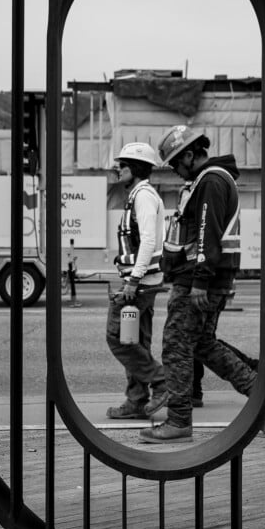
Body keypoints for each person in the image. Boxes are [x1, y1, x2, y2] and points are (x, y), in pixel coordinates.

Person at [140, 126, 257, 443]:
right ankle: (259, 389)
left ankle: (179, 421)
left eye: (177, 164)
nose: (177, 172)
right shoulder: (210, 180)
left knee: (176, 347)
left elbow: (208, 233)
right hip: (201, 279)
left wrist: (201, 282)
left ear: (189, 155)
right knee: (203, 344)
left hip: (197, 280)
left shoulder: (211, 181)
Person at [106, 142, 168, 420]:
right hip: (145, 282)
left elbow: (148, 241)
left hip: (140, 285)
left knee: (118, 338)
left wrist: (132, 280)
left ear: (136, 169)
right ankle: (136, 401)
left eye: (123, 165)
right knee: (136, 340)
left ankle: (162, 382)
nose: (117, 169)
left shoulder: (143, 196)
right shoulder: (139, 195)